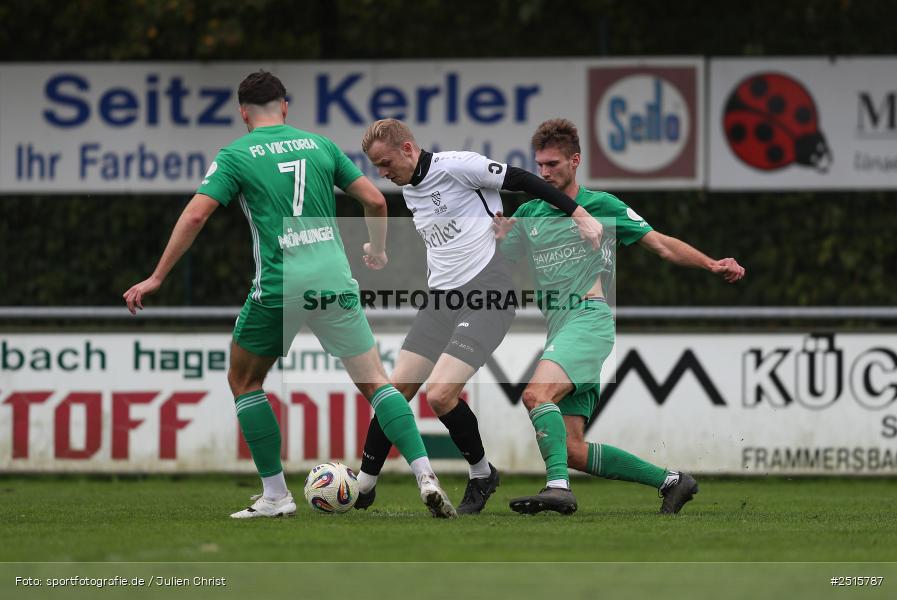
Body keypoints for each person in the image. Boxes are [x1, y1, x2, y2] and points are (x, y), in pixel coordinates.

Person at [123, 71, 456, 519]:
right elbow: (376, 202)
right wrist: (376, 249)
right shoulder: (319, 145)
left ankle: (276, 496)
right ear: (285, 106)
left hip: (282, 285)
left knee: (244, 382)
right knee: (377, 384)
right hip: (335, 281)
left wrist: (158, 276)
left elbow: (197, 216)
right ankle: (425, 476)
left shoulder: (237, 155)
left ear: (244, 112)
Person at [354, 118, 606, 514]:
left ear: (407, 149)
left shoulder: (457, 166)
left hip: (488, 292)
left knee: (439, 395)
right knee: (393, 392)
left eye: (385, 163)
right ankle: (363, 485)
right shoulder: (411, 190)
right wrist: (380, 251)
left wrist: (578, 214)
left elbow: (523, 178)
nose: (383, 173)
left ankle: (480, 474)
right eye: (377, 168)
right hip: (440, 300)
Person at [496, 118, 746, 515]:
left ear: (575, 161)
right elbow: (499, 268)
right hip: (560, 328)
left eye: (553, 164)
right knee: (574, 449)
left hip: (588, 320)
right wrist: (492, 238)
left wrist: (711, 264)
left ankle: (557, 488)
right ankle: (672, 482)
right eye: (539, 165)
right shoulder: (528, 212)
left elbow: (661, 245)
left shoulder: (602, 206)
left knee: (534, 395)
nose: (543, 173)